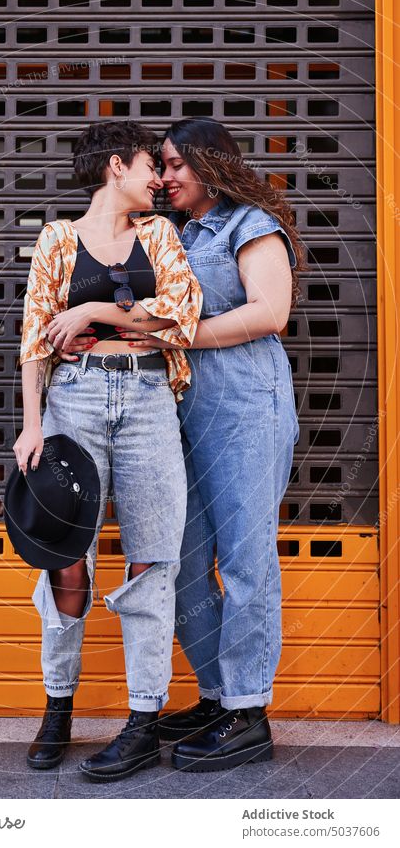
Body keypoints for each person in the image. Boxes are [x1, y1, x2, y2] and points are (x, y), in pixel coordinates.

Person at [61, 117, 304, 773]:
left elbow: (268, 311)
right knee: (184, 562)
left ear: (208, 162)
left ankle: (248, 712)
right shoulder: (175, 234)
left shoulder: (247, 224)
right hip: (181, 419)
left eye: (174, 165)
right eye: (159, 166)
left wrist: (174, 337)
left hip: (248, 412)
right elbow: (151, 312)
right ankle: (217, 694)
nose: (165, 177)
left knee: (247, 560)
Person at [12, 120, 202, 782]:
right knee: (67, 562)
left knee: (152, 559)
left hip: (149, 398)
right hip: (75, 402)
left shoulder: (160, 236)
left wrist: (96, 315)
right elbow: (36, 336)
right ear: (116, 166)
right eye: (153, 166)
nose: (160, 179)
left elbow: (182, 315)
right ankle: (57, 705)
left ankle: (143, 719)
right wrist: (31, 425)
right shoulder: (57, 240)